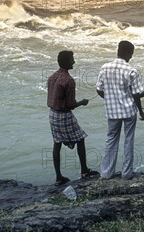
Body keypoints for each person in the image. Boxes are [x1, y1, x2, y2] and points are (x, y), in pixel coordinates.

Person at [47, 50, 99, 186]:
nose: (74, 62)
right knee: (80, 139)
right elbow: (70, 105)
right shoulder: (69, 81)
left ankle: (58, 177)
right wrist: (82, 102)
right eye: (72, 59)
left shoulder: (52, 77)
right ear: (66, 62)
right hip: (64, 115)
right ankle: (84, 171)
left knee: (57, 143)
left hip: (52, 114)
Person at [96, 40, 144, 179]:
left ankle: (106, 173)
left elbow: (99, 89)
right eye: (131, 54)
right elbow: (136, 94)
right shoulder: (132, 71)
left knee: (111, 140)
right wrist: (141, 111)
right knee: (129, 140)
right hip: (129, 111)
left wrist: (109, 99)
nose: (131, 57)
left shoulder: (105, 68)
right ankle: (127, 173)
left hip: (112, 111)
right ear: (128, 53)